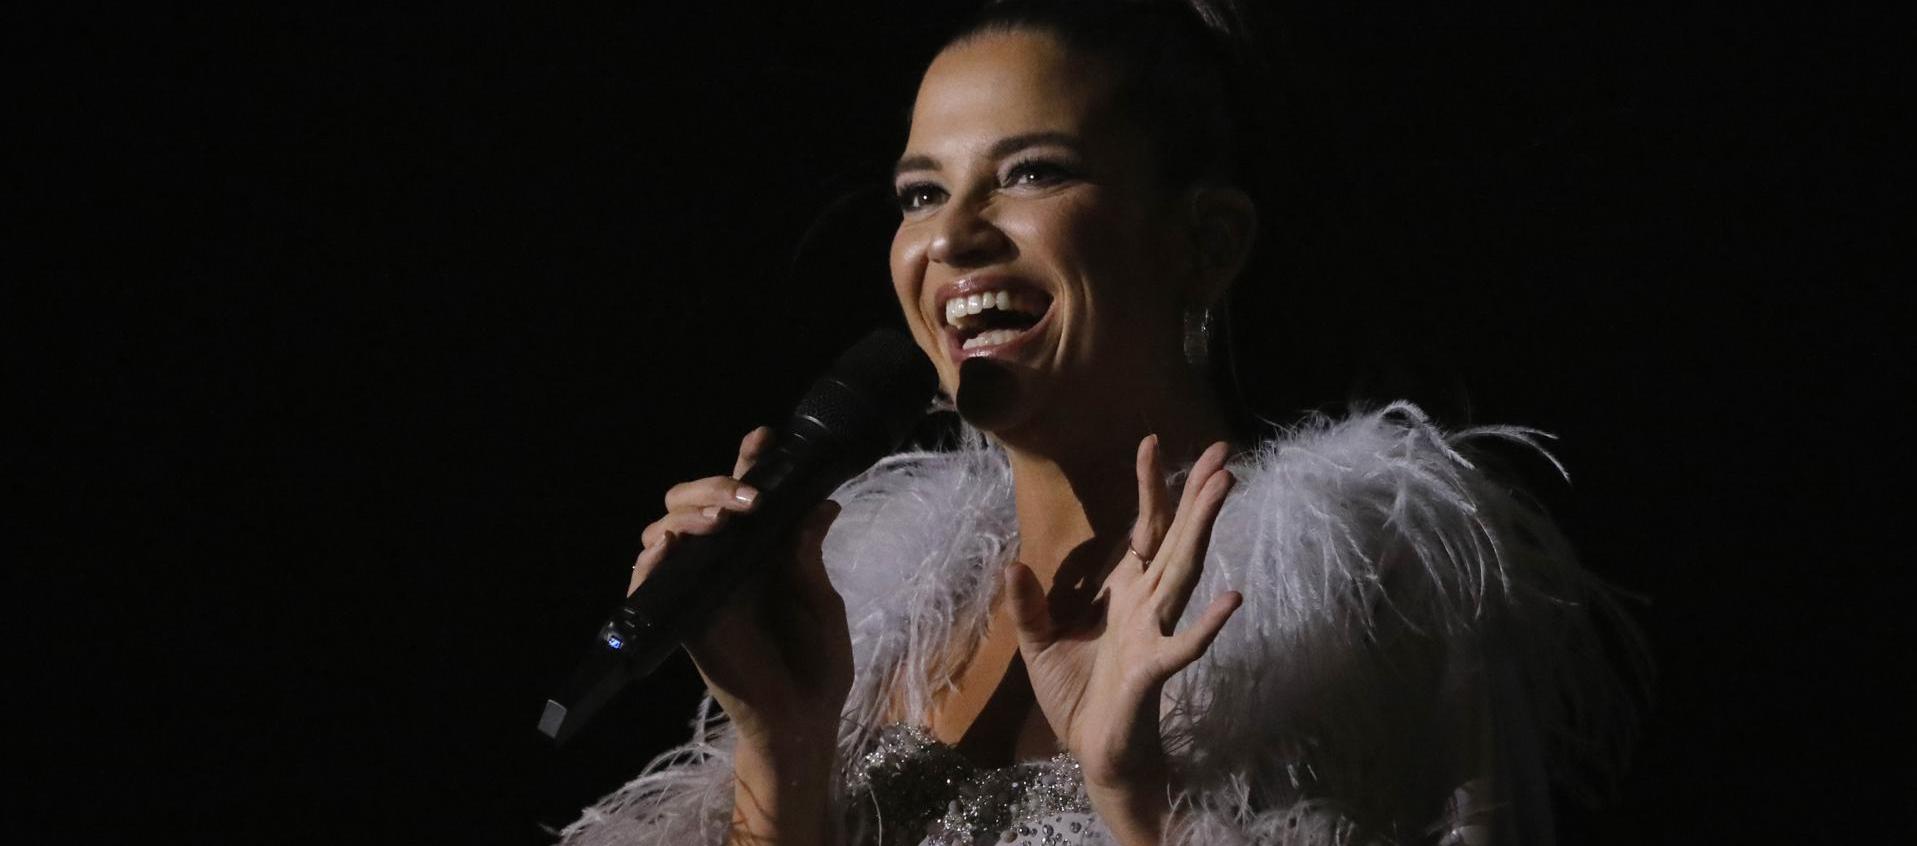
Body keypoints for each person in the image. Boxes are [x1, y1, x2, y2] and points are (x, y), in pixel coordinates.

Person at [561, 1, 1645, 844]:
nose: (953, 238)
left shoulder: (1368, 594)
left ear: (1206, 243)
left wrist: (1135, 803)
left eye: (1031, 173)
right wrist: (784, 750)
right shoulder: (876, 613)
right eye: (921, 194)